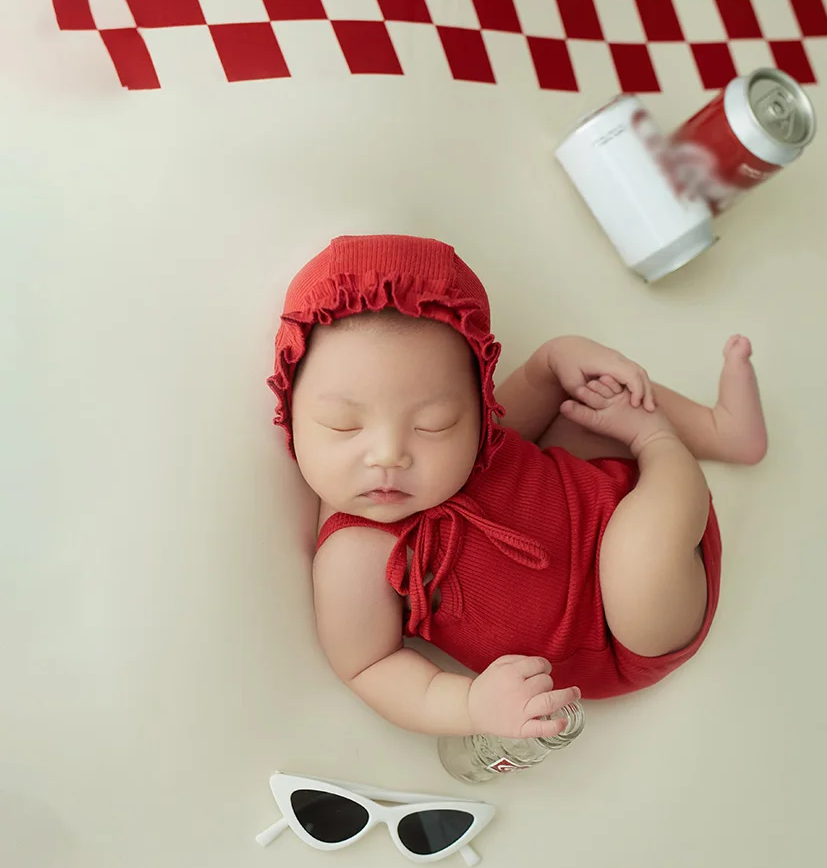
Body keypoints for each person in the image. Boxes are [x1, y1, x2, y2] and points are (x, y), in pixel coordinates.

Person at [268, 234, 767, 741]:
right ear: (290, 415)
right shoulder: (353, 554)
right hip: (633, 631)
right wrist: (470, 706)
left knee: (589, 395)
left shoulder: (479, 445)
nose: (390, 455)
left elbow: (539, 382)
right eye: (342, 425)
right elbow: (369, 667)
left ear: (479, 409)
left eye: (435, 424)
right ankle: (658, 441)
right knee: (636, 551)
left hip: (628, 497)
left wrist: (557, 358)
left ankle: (717, 431)